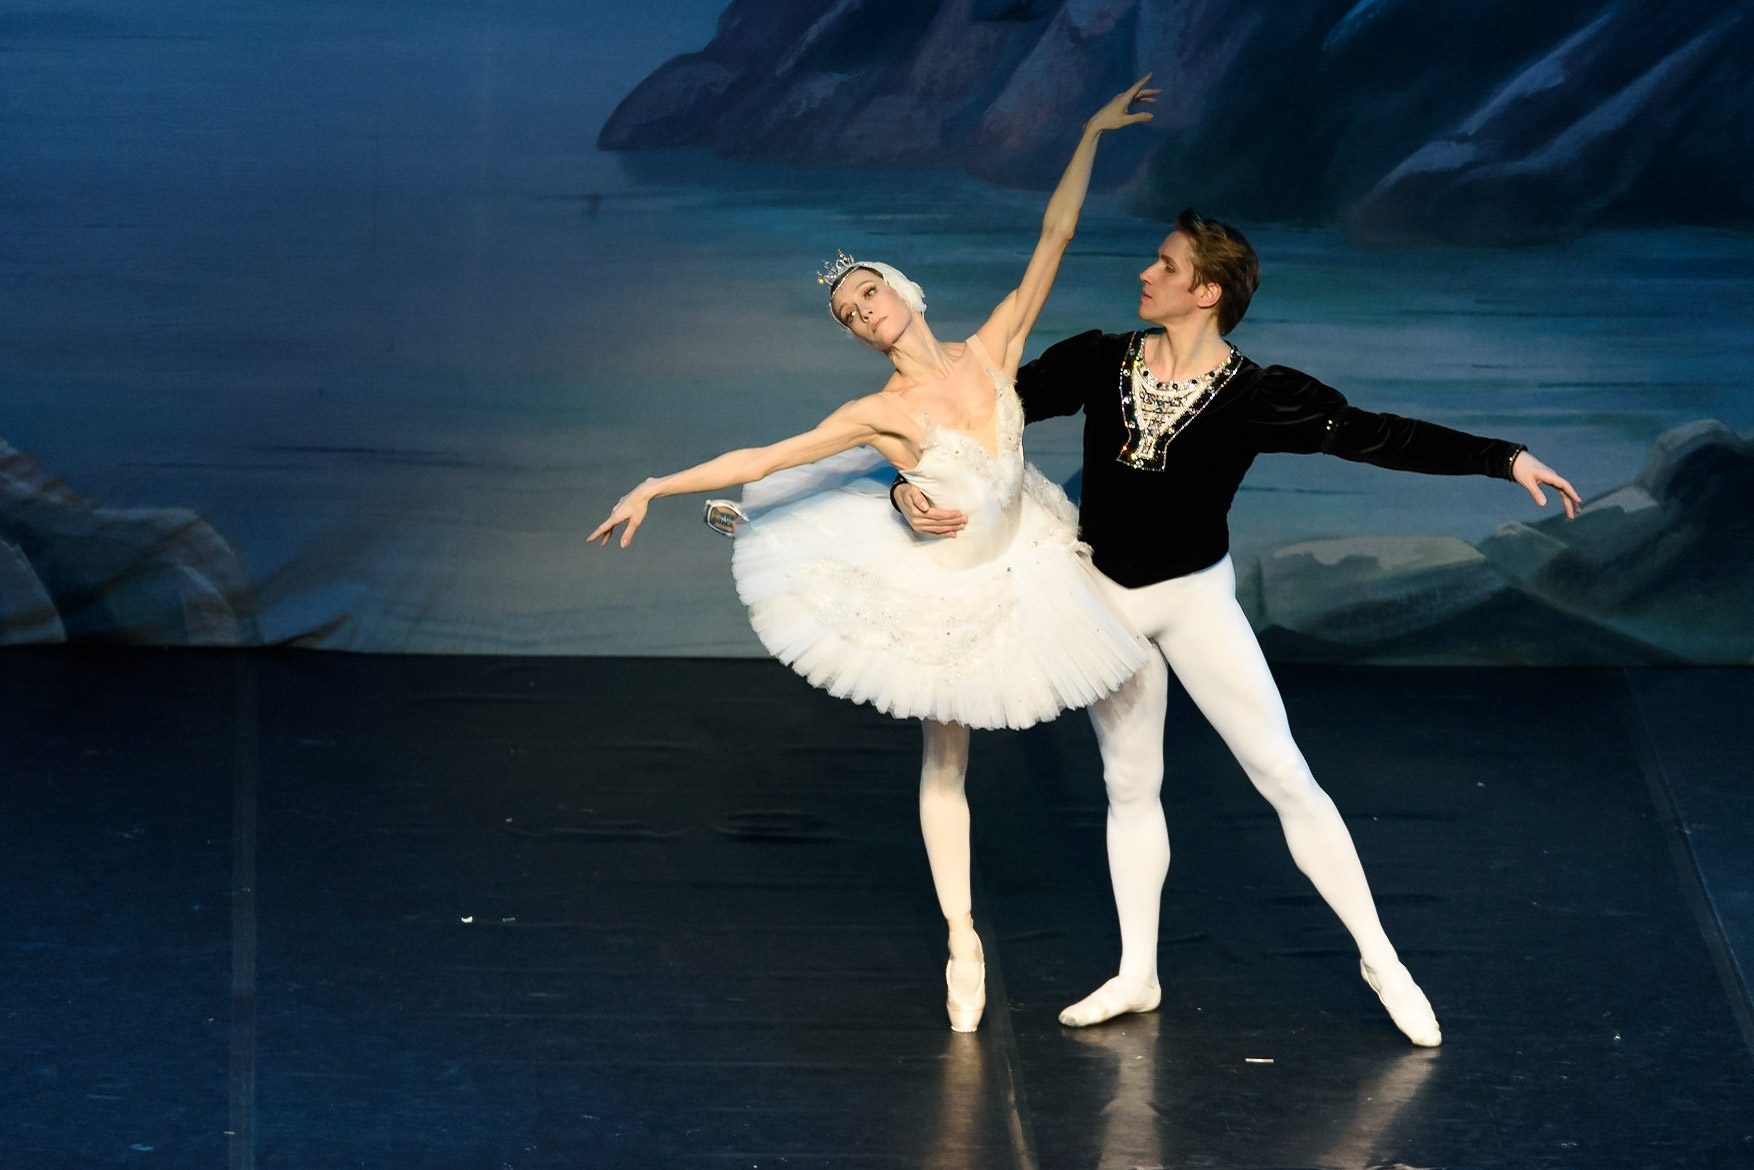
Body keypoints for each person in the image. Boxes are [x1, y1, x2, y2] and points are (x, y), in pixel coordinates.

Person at [894, 209, 1582, 1046]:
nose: (1146, 272)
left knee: (1284, 776)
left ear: (1206, 292)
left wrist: (1501, 457)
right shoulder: (1099, 359)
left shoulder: (1260, 396)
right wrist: (905, 488)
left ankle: (1381, 960)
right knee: (1129, 786)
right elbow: (976, 430)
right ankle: (1138, 972)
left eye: (1166, 264)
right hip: (1103, 602)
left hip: (1194, 601)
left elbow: (1376, 435)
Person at [590, 79, 1162, 1033]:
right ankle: (962, 936)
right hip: (945, 590)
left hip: (1029, 559)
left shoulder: (993, 349)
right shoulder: (879, 414)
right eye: (850, 313)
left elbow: (1054, 238)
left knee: (1126, 680)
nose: (863, 310)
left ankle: (1132, 935)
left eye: (869, 292)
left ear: (905, 289)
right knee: (947, 761)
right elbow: (765, 456)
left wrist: (1093, 131)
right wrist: (655, 485)